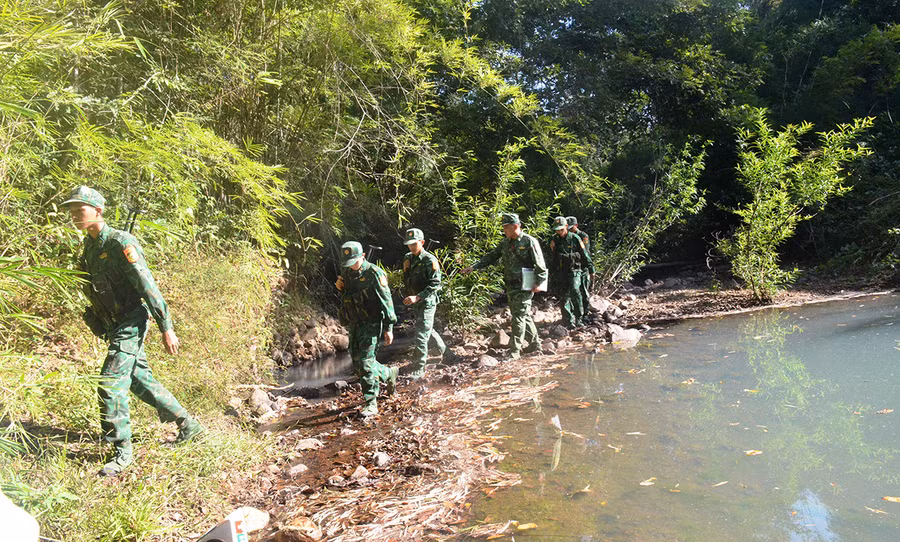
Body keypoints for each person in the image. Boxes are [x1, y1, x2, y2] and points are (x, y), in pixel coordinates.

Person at [63, 186, 204, 477]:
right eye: (72, 212)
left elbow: (147, 286)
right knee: (140, 381)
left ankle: (122, 451)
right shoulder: (88, 249)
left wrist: (167, 328)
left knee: (110, 382)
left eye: (81, 211)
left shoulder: (121, 242)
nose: (75, 216)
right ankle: (189, 425)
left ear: (98, 211)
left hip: (132, 320)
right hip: (114, 324)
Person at [461, 213, 547, 360]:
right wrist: (474, 267)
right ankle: (535, 344)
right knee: (523, 315)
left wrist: (539, 283)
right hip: (511, 285)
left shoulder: (529, 241)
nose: (504, 230)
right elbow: (491, 256)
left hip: (525, 284)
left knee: (518, 317)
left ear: (516, 226)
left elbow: (540, 265)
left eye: (506, 227)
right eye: (504, 227)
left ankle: (515, 351)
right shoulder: (505, 243)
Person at [335, 241, 399, 417]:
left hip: (372, 322)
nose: (351, 266)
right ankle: (388, 372)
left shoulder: (375, 273)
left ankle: (371, 402)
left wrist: (389, 327)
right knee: (357, 361)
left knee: (365, 361)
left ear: (362, 257)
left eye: (354, 261)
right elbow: (348, 296)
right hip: (355, 322)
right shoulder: (347, 272)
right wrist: (341, 289)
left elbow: (387, 301)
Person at [401, 228, 448, 379]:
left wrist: (418, 297)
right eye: (409, 244)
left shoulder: (429, 260)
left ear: (422, 242)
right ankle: (448, 354)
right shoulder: (408, 257)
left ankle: (418, 368)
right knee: (427, 329)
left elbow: (436, 284)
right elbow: (407, 278)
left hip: (427, 302)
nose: (411, 247)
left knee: (421, 335)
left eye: (414, 244)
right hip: (415, 302)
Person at [549, 216, 590, 329]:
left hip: (575, 269)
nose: (559, 232)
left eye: (561, 229)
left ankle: (579, 318)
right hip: (561, 271)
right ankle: (568, 320)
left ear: (566, 227)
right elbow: (553, 257)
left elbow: (584, 254)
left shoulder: (575, 238)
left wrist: (590, 269)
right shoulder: (554, 240)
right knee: (564, 295)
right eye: (557, 230)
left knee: (575, 291)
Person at [566, 216, 595, 325]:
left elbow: (585, 253)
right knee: (573, 292)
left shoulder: (582, 236)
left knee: (583, 292)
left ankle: (585, 314)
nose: (568, 230)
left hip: (583, 268)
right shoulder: (566, 237)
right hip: (572, 269)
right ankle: (575, 315)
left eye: (570, 227)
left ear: (576, 226)